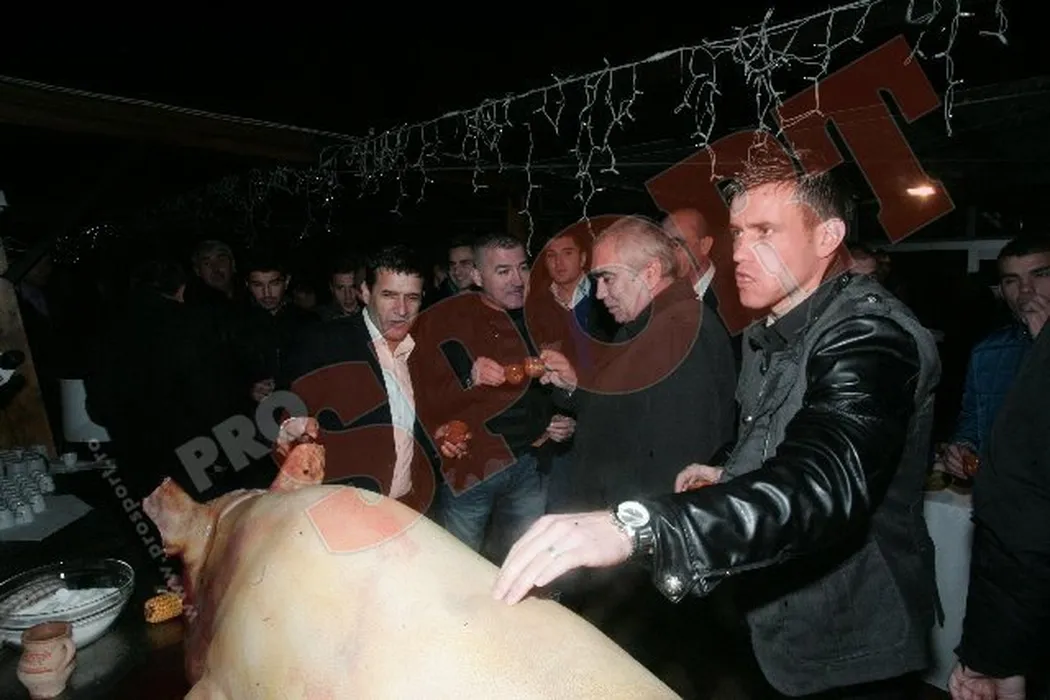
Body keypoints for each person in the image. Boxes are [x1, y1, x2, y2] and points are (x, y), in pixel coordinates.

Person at [494, 151, 942, 699]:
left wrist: (641, 526)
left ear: (827, 237)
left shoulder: (870, 335)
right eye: (737, 233)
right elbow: (781, 432)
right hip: (765, 617)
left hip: (844, 640)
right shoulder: (772, 328)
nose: (741, 253)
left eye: (765, 232)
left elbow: (825, 480)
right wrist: (729, 467)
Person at [949, 236, 1050, 700]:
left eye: (1040, 274)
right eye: (1012, 280)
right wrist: (963, 449)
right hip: (1004, 544)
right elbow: (971, 422)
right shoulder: (988, 352)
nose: (1025, 290)